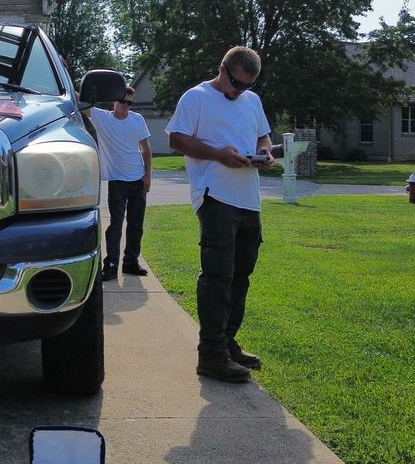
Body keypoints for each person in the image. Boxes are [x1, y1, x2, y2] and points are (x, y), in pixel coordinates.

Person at [164, 47, 275, 383]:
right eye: (237, 83)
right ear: (222, 69)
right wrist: (217, 155)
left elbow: (263, 135)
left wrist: (265, 151)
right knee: (217, 277)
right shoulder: (196, 97)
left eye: (247, 85)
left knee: (241, 276)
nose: (240, 91)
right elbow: (176, 140)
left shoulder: (252, 101)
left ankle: (227, 343)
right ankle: (211, 355)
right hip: (215, 197)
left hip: (248, 199)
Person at [84, 86, 152, 281]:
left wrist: (147, 175)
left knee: (136, 225)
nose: (126, 106)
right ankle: (111, 265)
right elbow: (80, 101)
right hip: (117, 182)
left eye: (130, 103)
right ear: (114, 100)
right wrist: (63, 74)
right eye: (123, 101)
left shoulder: (137, 119)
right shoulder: (102, 118)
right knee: (116, 224)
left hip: (138, 180)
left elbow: (145, 148)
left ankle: (131, 262)